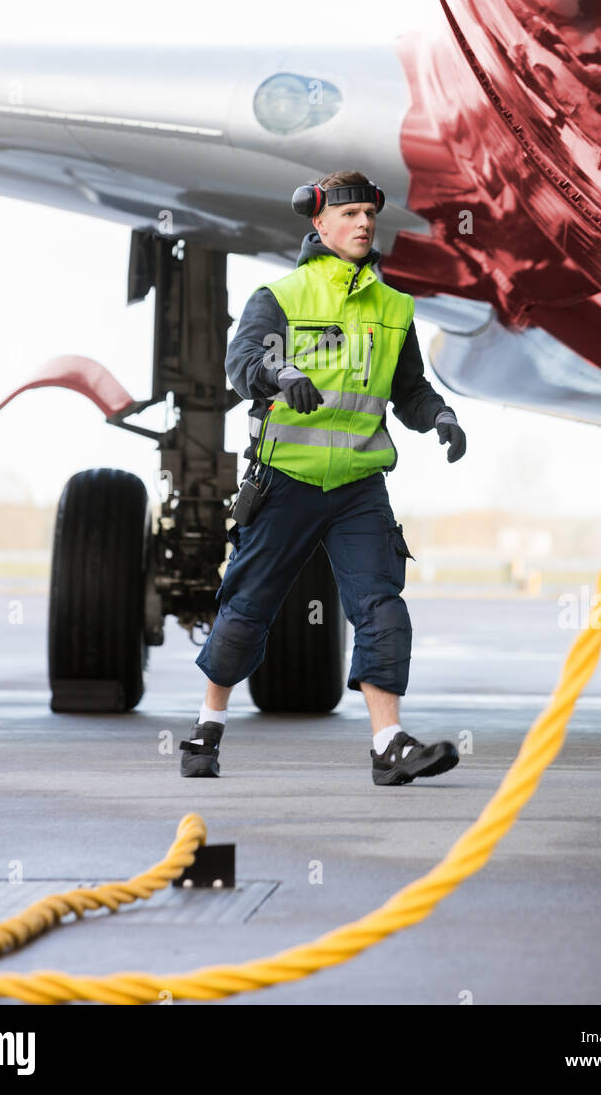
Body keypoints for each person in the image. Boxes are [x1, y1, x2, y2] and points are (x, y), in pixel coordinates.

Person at [179, 169, 467, 784]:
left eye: (370, 214)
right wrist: (278, 377)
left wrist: (439, 415)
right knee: (247, 608)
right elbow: (242, 363)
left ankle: (389, 746)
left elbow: (409, 389)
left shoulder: (394, 308)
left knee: (381, 606)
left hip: (359, 486)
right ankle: (207, 727)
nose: (364, 223)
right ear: (320, 224)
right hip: (287, 479)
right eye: (350, 215)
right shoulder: (280, 297)